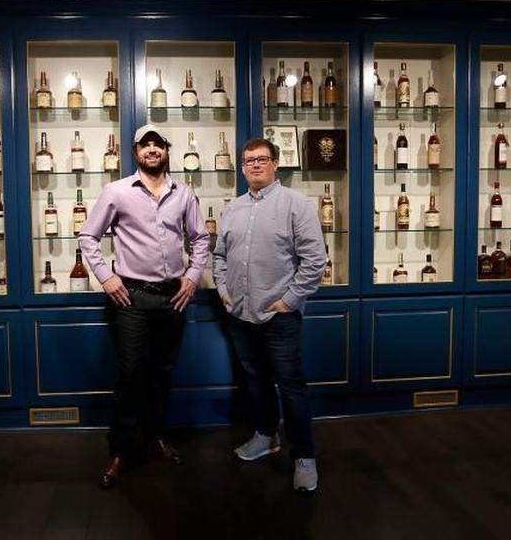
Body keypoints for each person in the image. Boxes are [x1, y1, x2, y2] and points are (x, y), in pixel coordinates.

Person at [78, 123, 210, 490]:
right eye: (145, 145)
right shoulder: (117, 192)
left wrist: (192, 277)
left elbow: (201, 239)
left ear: (166, 150)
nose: (152, 150)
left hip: (173, 297)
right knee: (131, 375)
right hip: (131, 297)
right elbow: (88, 236)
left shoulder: (184, 193)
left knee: (162, 373)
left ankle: (156, 438)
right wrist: (106, 276)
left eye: (158, 144)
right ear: (136, 152)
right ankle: (120, 451)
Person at [212, 136, 327, 493]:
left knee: (291, 387)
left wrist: (290, 300)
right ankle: (265, 435)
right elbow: (219, 256)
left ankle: (304, 456)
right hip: (240, 314)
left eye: (262, 159)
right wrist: (223, 289)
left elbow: (315, 260)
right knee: (256, 380)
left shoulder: (297, 204)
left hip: (279, 316)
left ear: (276, 163)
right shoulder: (233, 208)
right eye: (249, 161)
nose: (256, 165)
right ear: (243, 168)